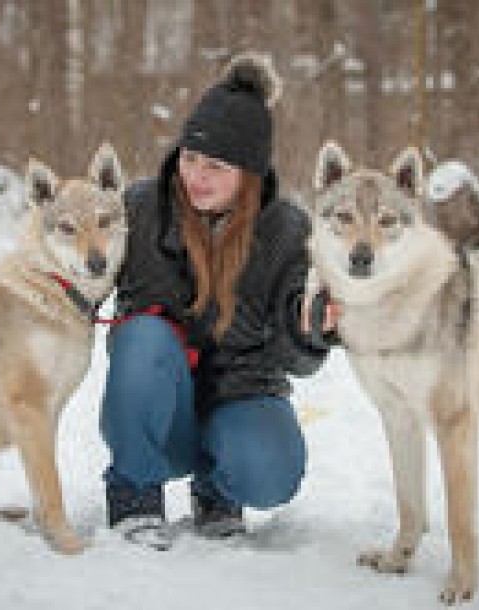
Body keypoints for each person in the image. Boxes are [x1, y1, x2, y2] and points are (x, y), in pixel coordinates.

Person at [100, 53, 338, 549]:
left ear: (249, 175)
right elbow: (84, 275)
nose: (196, 176)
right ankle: (135, 496)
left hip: (240, 394)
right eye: (189, 157)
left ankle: (217, 490)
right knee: (142, 335)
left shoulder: (287, 231)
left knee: (272, 473)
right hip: (156, 401)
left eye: (215, 166)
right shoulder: (141, 210)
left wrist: (310, 327)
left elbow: (297, 359)